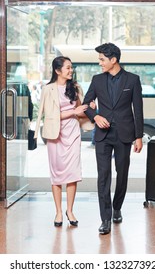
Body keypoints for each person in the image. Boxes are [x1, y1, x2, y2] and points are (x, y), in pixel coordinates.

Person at [83, 43, 144, 235]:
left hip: (124, 134)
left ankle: (117, 206)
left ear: (113, 60)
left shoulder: (133, 80)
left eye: (102, 59)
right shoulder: (97, 80)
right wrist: (96, 116)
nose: (99, 63)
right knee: (103, 177)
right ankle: (105, 219)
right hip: (103, 136)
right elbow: (86, 104)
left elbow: (138, 110)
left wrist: (139, 136)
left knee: (122, 173)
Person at [34, 56, 92, 227]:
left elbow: (81, 112)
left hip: (73, 133)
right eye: (67, 68)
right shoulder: (48, 89)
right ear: (57, 71)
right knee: (57, 175)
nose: (71, 70)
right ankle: (58, 212)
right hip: (55, 134)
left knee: (73, 173)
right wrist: (74, 111)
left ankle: (70, 210)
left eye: (71, 67)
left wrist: (89, 108)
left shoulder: (75, 87)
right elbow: (50, 116)